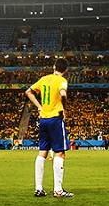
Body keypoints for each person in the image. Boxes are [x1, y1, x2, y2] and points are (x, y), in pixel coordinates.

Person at [25, 58, 74, 198]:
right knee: (59, 153)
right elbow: (63, 94)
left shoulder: (44, 79)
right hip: (55, 119)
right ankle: (58, 190)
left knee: (42, 153)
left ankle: (38, 188)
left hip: (44, 119)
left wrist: (39, 107)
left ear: (54, 67)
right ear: (65, 70)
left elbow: (28, 92)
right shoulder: (62, 81)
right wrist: (64, 109)